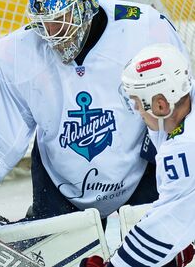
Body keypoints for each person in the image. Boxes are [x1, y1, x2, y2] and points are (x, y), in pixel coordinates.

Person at [0, 0, 191, 243]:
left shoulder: (146, 27)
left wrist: (183, 173)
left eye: (60, 18)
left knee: (160, 250)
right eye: (43, 22)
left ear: (84, 9)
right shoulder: (17, 52)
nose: (51, 32)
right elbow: (0, 132)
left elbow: (180, 104)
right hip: (59, 183)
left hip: (142, 173)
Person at [80, 43, 195, 266]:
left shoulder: (184, 148)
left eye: (138, 103)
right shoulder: (185, 102)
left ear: (161, 105)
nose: (136, 110)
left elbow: (166, 224)